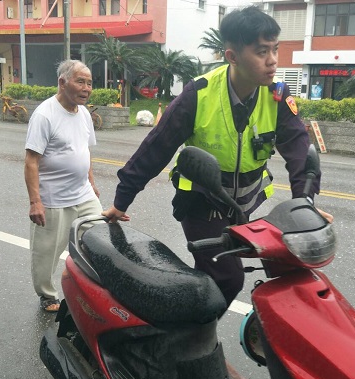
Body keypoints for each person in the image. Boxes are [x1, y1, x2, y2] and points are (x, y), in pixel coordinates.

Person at [102, 6, 333, 307]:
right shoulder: (199, 94)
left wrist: (305, 203)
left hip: (242, 207)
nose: (273, 61)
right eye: (262, 51)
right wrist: (121, 201)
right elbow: (155, 148)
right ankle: (190, 340)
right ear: (232, 56)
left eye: (275, 49)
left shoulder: (276, 96)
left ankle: (200, 323)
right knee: (228, 278)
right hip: (201, 201)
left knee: (284, 268)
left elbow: (300, 152)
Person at [24, 59, 102, 312]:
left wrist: (91, 182)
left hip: (84, 194)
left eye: (89, 83)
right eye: (81, 81)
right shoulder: (45, 115)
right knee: (47, 252)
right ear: (62, 82)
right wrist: (36, 201)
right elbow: (31, 161)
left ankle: (91, 288)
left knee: (100, 240)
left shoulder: (84, 114)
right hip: (54, 199)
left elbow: (84, 151)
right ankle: (47, 294)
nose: (87, 88)